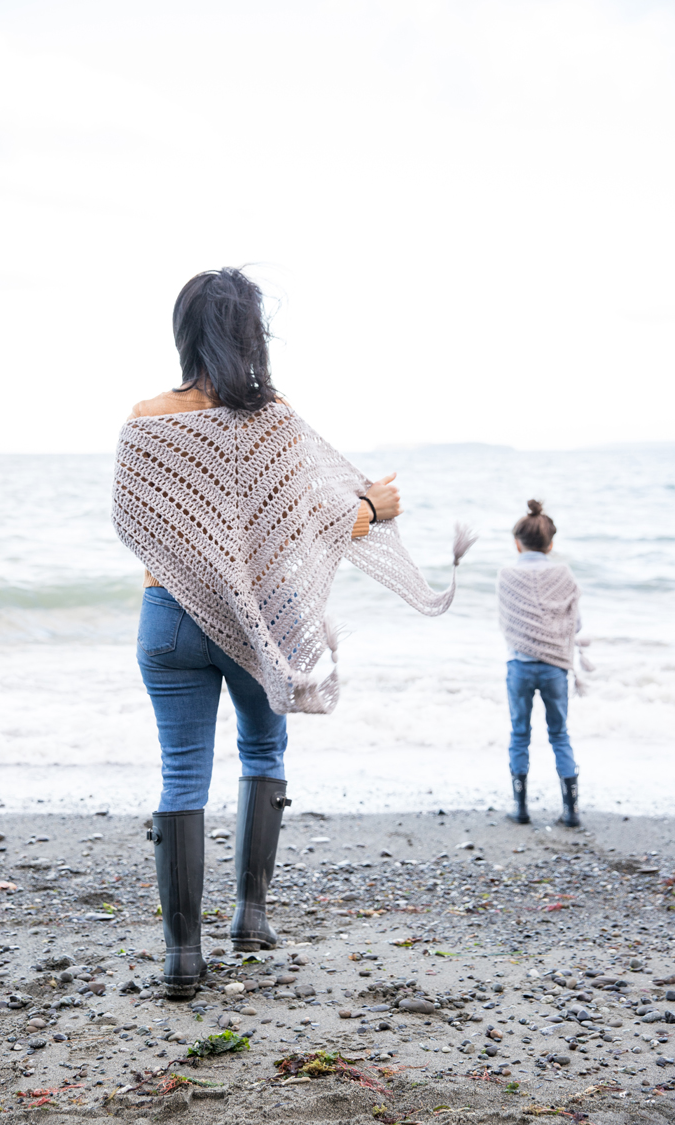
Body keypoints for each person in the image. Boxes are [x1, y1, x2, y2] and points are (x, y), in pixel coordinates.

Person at [112, 267, 474, 997]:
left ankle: (182, 958)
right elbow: (315, 519)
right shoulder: (272, 417)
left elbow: (130, 520)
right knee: (262, 748)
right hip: (258, 622)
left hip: (168, 620)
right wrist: (373, 505)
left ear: (185, 334)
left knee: (181, 770)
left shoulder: (147, 417)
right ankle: (250, 914)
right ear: (252, 335)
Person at [498, 500, 591, 829]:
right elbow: (575, 624)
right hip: (555, 668)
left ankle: (520, 809)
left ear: (516, 542)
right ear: (551, 544)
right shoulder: (563, 574)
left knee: (519, 735)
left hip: (519, 667)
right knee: (559, 735)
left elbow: (508, 624)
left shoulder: (507, 575)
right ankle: (571, 812)